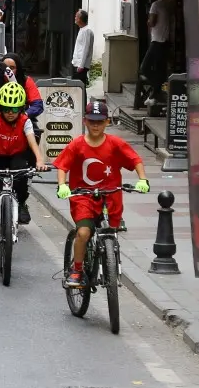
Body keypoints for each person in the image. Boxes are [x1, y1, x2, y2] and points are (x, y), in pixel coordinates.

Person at [54, 99, 148, 288]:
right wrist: (62, 185)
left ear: (107, 122)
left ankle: (111, 263)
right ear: (85, 121)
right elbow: (62, 165)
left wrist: (142, 179)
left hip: (111, 196)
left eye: (100, 121)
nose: (95, 125)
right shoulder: (77, 145)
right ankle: (77, 270)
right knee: (83, 232)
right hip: (83, 197)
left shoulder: (115, 144)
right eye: (91, 121)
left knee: (112, 233)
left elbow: (135, 159)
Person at [0, 81, 50, 263]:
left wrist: (39, 160)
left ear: (21, 109)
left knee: (22, 180)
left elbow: (32, 141)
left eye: (14, 109)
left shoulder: (25, 121)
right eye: (6, 108)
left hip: (17, 157)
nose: (10, 112)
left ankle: (21, 203)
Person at [137, 0, 173, 110]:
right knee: (160, 69)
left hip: (157, 40)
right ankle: (156, 94)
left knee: (144, 68)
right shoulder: (169, 5)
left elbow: (152, 22)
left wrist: (148, 21)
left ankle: (157, 89)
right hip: (166, 41)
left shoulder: (155, 5)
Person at [70, 10, 95, 89]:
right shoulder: (82, 30)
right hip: (77, 63)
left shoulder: (87, 31)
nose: (75, 18)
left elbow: (85, 48)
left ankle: (82, 101)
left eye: (76, 16)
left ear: (80, 19)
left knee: (79, 88)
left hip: (81, 65)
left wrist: (81, 65)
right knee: (77, 87)